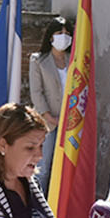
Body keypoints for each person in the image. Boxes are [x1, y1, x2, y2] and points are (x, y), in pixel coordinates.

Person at [29, 16, 73, 193]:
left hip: (71, 122)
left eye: (67, 33)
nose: (63, 36)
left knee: (64, 168)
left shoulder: (74, 59)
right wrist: (49, 117)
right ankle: (39, 203)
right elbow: (36, 92)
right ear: (50, 37)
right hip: (48, 121)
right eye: (59, 33)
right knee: (44, 166)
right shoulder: (38, 60)